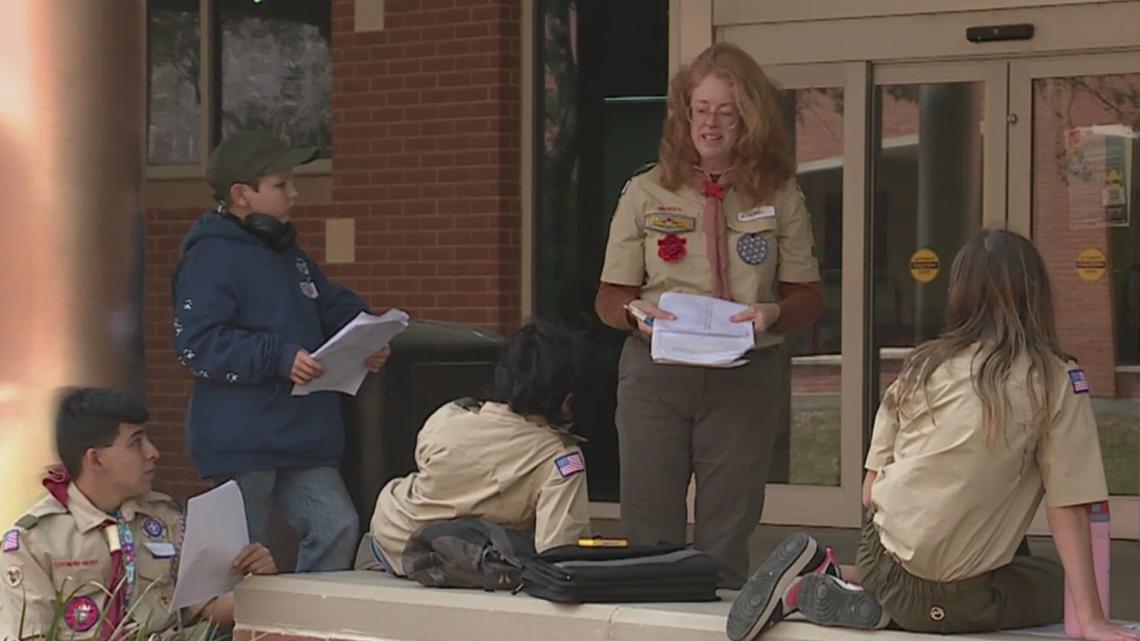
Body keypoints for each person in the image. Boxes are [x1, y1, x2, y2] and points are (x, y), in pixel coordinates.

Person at [727, 230, 1140, 641]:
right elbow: (1070, 507)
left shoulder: (922, 365)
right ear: (1038, 295)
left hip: (879, 557)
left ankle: (837, 575)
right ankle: (879, 604)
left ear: (958, 293)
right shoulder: (1055, 379)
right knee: (1053, 582)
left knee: (981, 553)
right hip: (950, 599)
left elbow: (869, 493)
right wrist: (1092, 618)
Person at [593, 42, 822, 588]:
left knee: (726, 534)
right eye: (701, 110)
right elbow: (608, 298)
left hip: (744, 378)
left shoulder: (780, 194)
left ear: (749, 119)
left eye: (727, 111)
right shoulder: (646, 191)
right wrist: (632, 312)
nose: (711, 124)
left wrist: (773, 312)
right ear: (684, 114)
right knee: (648, 529)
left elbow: (808, 297)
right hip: (657, 376)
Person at [171, 131, 390, 572]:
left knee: (339, 525)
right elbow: (198, 344)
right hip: (242, 437)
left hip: (302, 436)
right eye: (280, 184)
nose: (295, 192)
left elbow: (328, 302)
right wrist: (279, 357)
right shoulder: (210, 256)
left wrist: (364, 332)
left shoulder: (289, 254)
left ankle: (303, 631)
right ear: (242, 195)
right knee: (242, 559)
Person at [1, 387, 277, 641]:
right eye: (135, 442)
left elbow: (210, 611)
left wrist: (257, 581)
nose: (153, 453)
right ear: (95, 459)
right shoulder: (33, 542)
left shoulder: (164, 517)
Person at [357, 320, 591, 575]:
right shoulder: (560, 457)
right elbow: (558, 555)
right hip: (457, 561)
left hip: (387, 540)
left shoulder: (447, 416)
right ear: (568, 399)